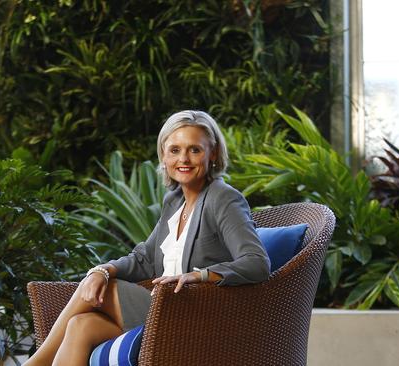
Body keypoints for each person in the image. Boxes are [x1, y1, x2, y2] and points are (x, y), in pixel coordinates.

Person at [23, 110, 271, 366]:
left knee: (106, 287)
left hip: (195, 317)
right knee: (81, 324)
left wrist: (200, 275)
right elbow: (145, 259)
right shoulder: (174, 201)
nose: (183, 158)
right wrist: (103, 269)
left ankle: (35, 363)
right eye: (174, 150)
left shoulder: (224, 198)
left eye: (194, 150)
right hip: (162, 311)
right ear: (163, 155)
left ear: (214, 153)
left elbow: (257, 262)